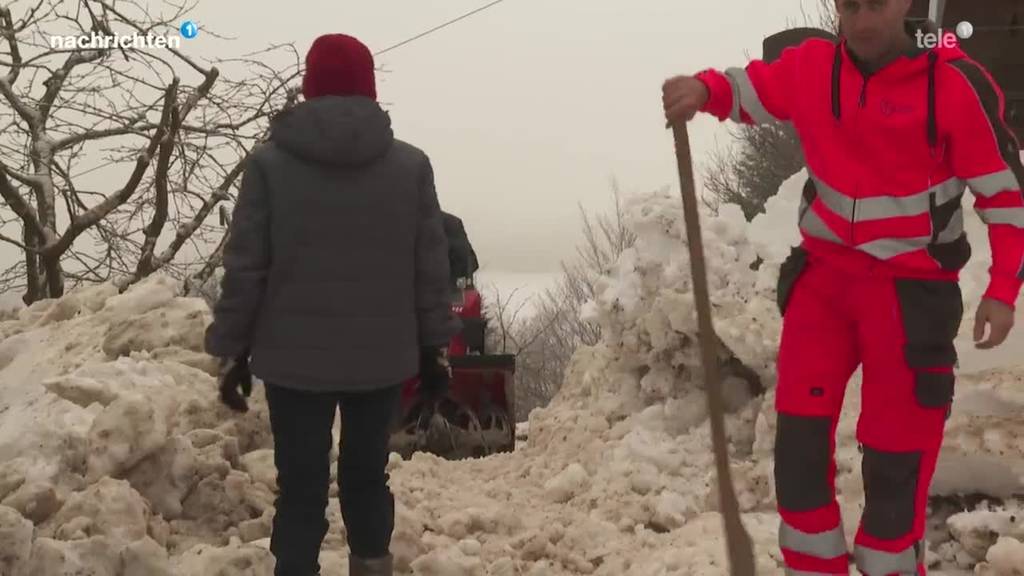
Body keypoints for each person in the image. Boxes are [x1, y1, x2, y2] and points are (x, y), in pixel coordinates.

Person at [662, 0, 1023, 574]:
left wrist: (1002, 289)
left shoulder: (953, 82)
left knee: (895, 458)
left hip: (912, 293)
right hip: (825, 285)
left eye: (875, 4)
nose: (861, 20)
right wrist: (702, 90)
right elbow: (749, 90)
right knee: (799, 452)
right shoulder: (812, 69)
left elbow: (1005, 198)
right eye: (849, 5)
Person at [204, 33, 460, 576]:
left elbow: (246, 268)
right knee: (368, 478)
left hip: (293, 363)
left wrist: (230, 351)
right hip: (380, 361)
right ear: (370, 90)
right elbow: (430, 270)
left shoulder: (269, 166)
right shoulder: (410, 167)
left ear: (308, 88)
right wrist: (435, 348)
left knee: (299, 487)